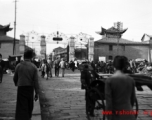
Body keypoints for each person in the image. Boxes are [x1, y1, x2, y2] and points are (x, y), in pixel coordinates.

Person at [105, 56, 136, 120]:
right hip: (129, 114)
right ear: (125, 66)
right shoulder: (131, 80)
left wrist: (109, 116)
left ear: (114, 66)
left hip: (116, 116)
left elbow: (109, 102)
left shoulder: (109, 80)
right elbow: (132, 99)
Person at [13, 49, 39, 120]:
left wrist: (17, 83)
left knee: (21, 105)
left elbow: (15, 78)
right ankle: (28, 117)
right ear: (31, 57)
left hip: (21, 88)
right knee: (29, 105)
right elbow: (36, 81)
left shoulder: (18, 66)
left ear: (24, 57)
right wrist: (37, 93)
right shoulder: (33, 67)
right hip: (30, 88)